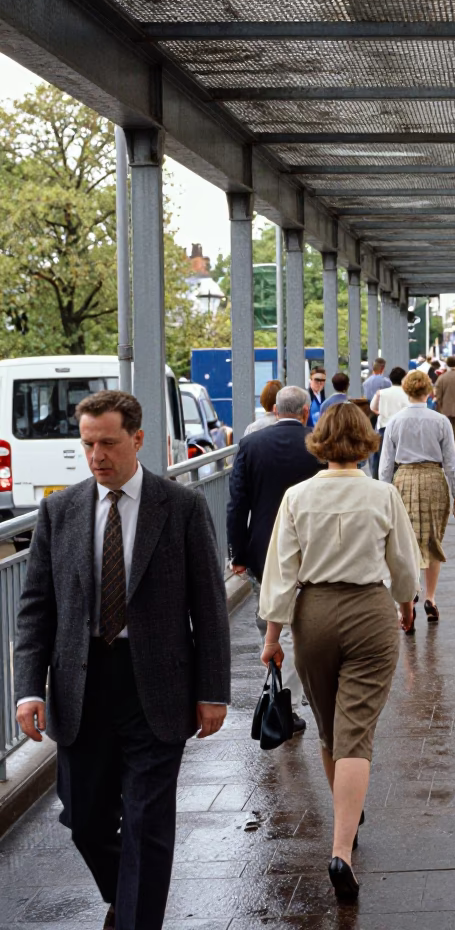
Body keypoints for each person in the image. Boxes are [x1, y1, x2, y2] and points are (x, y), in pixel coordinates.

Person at [14, 390, 231, 930]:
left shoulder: (180, 507)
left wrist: (213, 691)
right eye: (88, 444)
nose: (96, 456)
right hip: (80, 687)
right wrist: (28, 688)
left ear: (137, 440)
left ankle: (135, 918)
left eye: (108, 443)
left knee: (146, 822)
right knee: (84, 820)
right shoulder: (59, 510)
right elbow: (36, 608)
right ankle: (126, 893)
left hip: (156, 686)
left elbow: (208, 606)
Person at [259, 403, 419, 903]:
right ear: (367, 441)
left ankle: (345, 814)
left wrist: (272, 638)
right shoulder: (382, 494)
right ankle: (341, 848)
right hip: (370, 608)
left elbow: (281, 573)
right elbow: (404, 563)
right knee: (358, 730)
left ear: (320, 440)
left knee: (330, 728)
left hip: (314, 612)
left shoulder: (297, 497)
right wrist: (406, 605)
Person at [227, 385, 323, 730]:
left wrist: (237, 553)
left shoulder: (251, 445)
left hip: (264, 550)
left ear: (275, 411)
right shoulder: (318, 442)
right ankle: (307, 688)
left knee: (271, 624)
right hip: (315, 549)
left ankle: (282, 695)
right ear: (304, 412)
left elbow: (237, 503)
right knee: (311, 620)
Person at [380, 370, 455, 628]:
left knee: (405, 540)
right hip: (433, 479)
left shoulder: (395, 422)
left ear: (406, 391)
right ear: (429, 391)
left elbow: (385, 464)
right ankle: (430, 597)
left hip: (403, 478)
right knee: (432, 539)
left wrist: (383, 493)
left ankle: (410, 595)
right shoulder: (440, 421)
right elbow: (451, 461)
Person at [362, 359, 392, 479]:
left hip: (369, 414)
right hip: (381, 414)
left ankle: (373, 472)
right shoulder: (386, 382)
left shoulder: (366, 382)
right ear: (383, 368)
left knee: (372, 445)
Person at [370, 366, 409, 440]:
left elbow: (372, 407)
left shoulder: (381, 393)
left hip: (384, 426)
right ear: (404, 379)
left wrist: (380, 412)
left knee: (383, 450)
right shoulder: (408, 394)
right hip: (401, 428)